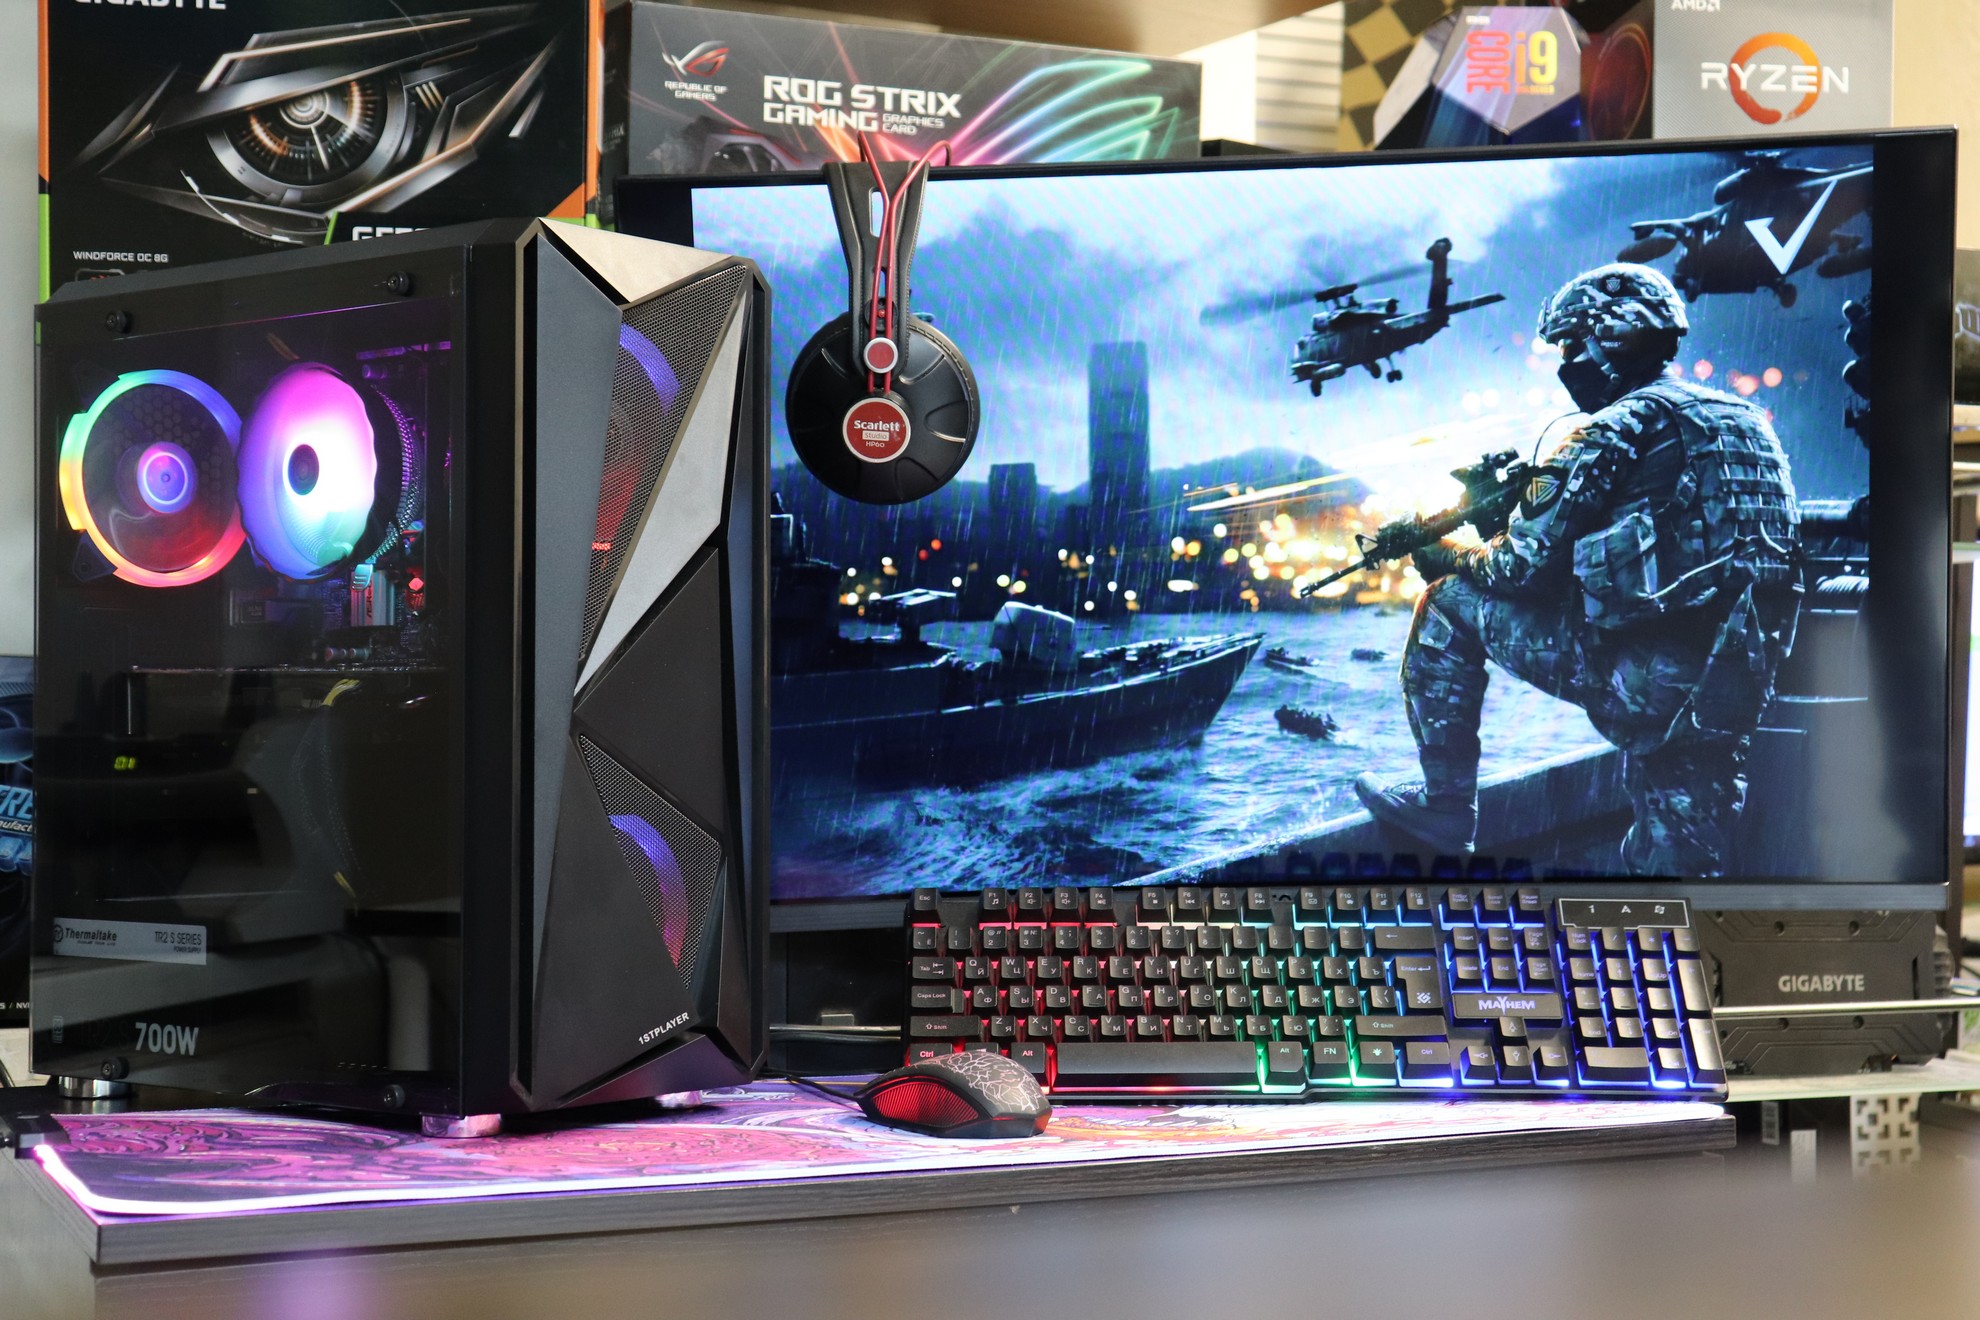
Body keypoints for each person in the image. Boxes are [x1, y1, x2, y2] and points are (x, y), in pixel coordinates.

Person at [1354, 263, 1801, 876]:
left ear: (1607, 338)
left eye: (1571, 346)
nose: (1568, 363)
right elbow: (1668, 550)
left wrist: (1443, 554)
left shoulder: (1619, 427)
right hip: (1738, 682)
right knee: (1677, 866)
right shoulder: (1745, 423)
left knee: (1447, 601)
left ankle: (1446, 808)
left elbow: (1520, 569)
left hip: (1651, 680)